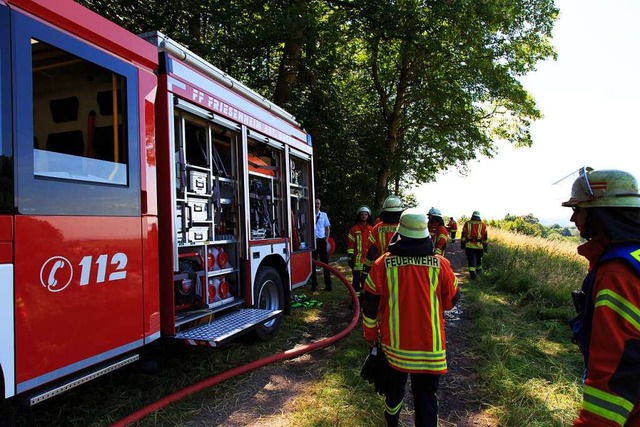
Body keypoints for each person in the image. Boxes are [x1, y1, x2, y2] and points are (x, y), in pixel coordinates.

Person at [361, 208, 459, 427]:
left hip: (394, 349)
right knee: (425, 398)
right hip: (430, 351)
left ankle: (393, 423)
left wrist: (369, 334)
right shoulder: (441, 265)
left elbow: (369, 305)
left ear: (399, 233)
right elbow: (451, 302)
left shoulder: (382, 265)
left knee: (393, 393)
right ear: (425, 234)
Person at [562, 167, 640, 426]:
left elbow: (616, 373)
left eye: (578, 209)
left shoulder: (617, 273)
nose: (573, 219)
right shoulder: (633, 257)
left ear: (598, 214)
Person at [360, 195, 404, 286]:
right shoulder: (405, 227)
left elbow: (372, 251)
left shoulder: (377, 228)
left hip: (382, 268)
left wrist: (366, 270)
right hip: (402, 269)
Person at [347, 205, 374, 301]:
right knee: (356, 281)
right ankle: (355, 300)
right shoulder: (354, 229)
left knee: (366, 281)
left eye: (365, 214)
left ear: (368, 216)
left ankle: (365, 299)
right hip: (357, 260)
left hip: (368, 261)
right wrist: (350, 257)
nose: (364, 216)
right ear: (359, 216)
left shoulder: (372, 229)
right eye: (362, 214)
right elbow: (350, 244)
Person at [311, 198, 332, 291]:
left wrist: (326, 240)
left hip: (321, 241)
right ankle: (314, 284)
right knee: (312, 263)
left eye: (318, 203)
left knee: (325, 263)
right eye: (315, 203)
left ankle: (328, 285)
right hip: (312, 241)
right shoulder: (310, 214)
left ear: (320, 205)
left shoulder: (324, 215)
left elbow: (327, 228)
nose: (317, 205)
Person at [460, 210, 488, 279]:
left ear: (472, 216)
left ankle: (472, 274)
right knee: (479, 258)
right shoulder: (483, 224)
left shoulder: (467, 223)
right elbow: (485, 236)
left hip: (469, 245)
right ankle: (479, 270)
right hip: (479, 246)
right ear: (479, 217)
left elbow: (463, 234)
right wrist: (485, 247)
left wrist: (463, 243)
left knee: (471, 259)